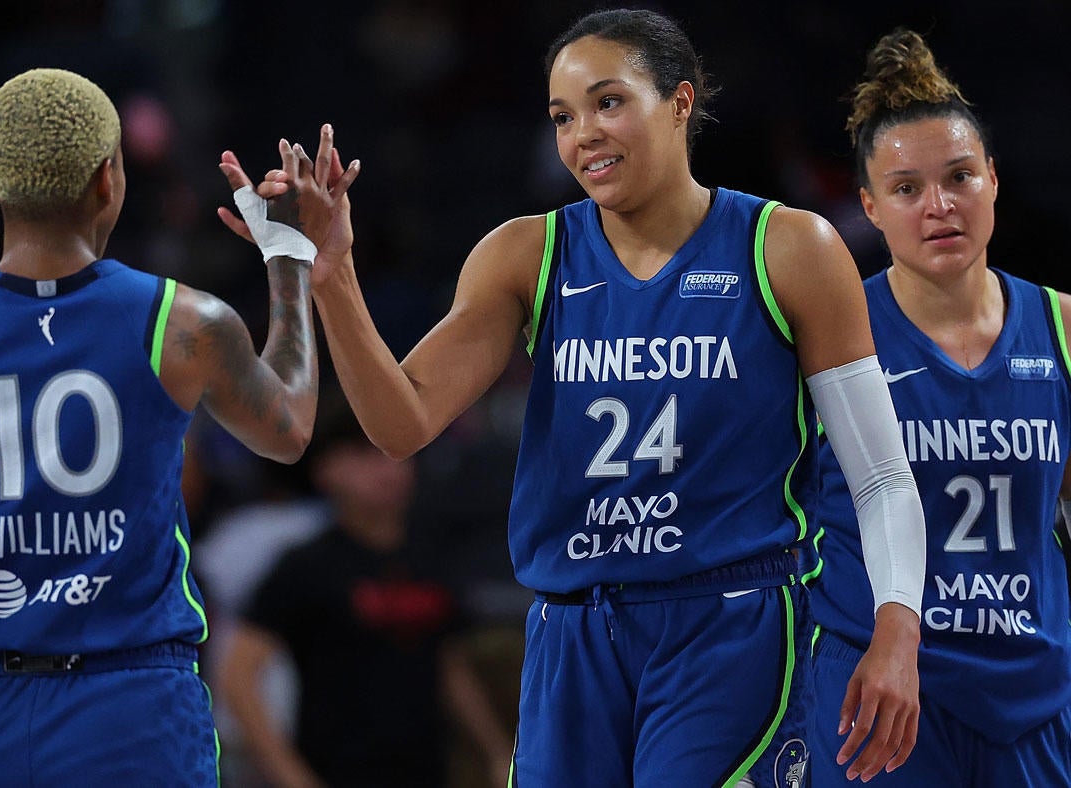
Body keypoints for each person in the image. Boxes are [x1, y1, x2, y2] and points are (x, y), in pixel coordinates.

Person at [227, 9, 927, 786]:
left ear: (680, 102)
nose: (583, 133)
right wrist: (333, 278)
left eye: (608, 102)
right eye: (563, 117)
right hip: (572, 631)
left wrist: (897, 629)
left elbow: (882, 475)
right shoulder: (526, 253)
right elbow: (401, 422)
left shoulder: (788, 247)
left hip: (729, 622)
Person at [0, 67, 356, 786]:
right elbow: (290, 427)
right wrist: (285, 263)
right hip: (134, 710)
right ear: (109, 179)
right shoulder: (185, 322)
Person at [805, 30, 1071, 786]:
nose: (939, 205)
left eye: (959, 176)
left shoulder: (1060, 326)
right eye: (907, 188)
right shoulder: (829, 331)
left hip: (1032, 690)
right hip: (879, 692)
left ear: (993, 177)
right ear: (870, 207)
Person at [217, 394, 513, 788]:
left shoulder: (430, 555)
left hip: (426, 772)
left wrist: (495, 751)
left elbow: (446, 662)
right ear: (325, 469)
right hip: (339, 772)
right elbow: (238, 674)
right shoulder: (306, 565)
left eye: (395, 451)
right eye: (363, 454)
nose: (387, 468)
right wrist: (291, 777)